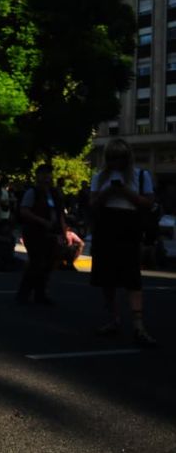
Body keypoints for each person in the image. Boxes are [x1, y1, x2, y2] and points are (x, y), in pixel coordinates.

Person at [89, 139, 157, 347]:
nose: (116, 162)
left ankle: (138, 325)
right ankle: (113, 319)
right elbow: (92, 203)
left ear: (127, 158)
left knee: (132, 277)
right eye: (112, 158)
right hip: (106, 226)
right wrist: (108, 191)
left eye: (120, 158)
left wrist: (125, 191)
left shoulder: (140, 175)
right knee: (106, 277)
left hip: (129, 226)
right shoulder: (100, 177)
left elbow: (149, 202)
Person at [17, 164, 71, 305]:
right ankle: (24, 293)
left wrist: (64, 231)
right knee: (37, 262)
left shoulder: (54, 193)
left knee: (48, 263)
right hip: (34, 232)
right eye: (43, 174)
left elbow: (60, 214)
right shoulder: (32, 192)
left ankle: (40, 293)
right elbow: (24, 211)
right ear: (37, 176)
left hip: (51, 232)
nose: (46, 177)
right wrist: (41, 221)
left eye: (48, 174)